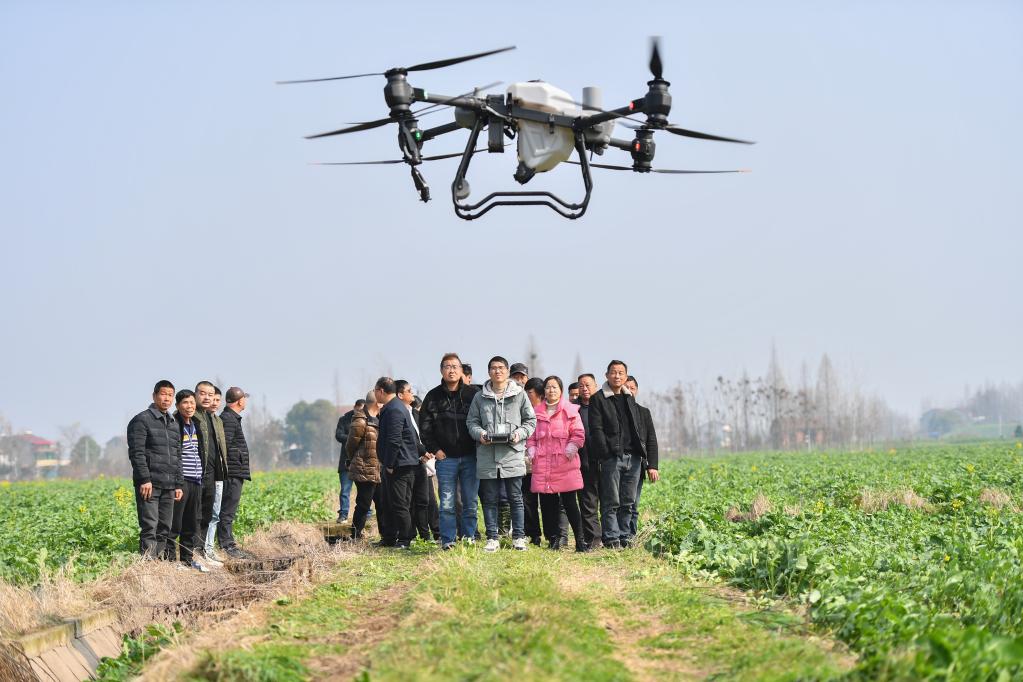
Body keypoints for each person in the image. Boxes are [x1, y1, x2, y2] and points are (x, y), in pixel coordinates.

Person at [466, 356, 536, 552]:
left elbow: (530, 421)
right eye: (493, 368)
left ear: (507, 371)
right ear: (489, 372)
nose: (497, 371)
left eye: (501, 368)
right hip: (487, 454)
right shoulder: (480, 397)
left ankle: (519, 537)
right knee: (489, 499)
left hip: (512, 453)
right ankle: (492, 538)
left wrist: (518, 434)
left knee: (516, 497)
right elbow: (471, 422)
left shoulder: (520, 394)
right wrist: (480, 434)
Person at [587, 360, 655, 549]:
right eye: (614, 372)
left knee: (628, 501)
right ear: (607, 375)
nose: (617, 376)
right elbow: (596, 429)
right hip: (612, 458)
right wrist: (606, 453)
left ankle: (626, 536)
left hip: (633, 458)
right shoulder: (598, 399)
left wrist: (647, 459)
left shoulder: (629, 399)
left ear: (625, 376)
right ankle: (611, 537)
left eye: (621, 373)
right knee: (611, 500)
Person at [420, 353, 481, 550]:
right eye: (447, 366)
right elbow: (425, 428)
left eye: (455, 366)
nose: (451, 370)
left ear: (462, 371)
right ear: (441, 370)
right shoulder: (433, 396)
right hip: (446, 459)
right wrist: (435, 450)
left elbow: (482, 423)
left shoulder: (473, 395)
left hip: (471, 457)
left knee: (470, 501)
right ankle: (448, 540)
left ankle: (469, 537)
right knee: (446, 502)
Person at [528, 376, 588, 552]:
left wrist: (571, 447)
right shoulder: (536, 411)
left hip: (565, 464)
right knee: (548, 506)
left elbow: (578, 433)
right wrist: (531, 450)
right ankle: (553, 539)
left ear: (561, 390)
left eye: (554, 387)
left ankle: (580, 540)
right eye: (548, 387)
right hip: (543, 465)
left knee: (570, 504)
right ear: (543, 391)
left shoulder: (570, 410)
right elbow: (531, 437)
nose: (551, 390)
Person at [127, 380, 183, 559]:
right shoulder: (141, 420)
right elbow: (137, 453)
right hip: (150, 484)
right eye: (163, 394)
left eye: (170, 395)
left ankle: (159, 563)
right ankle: (148, 566)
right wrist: (144, 479)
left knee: (165, 527)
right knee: (150, 526)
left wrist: (178, 483)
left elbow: (177, 455)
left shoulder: (173, 423)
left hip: (169, 485)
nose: (166, 398)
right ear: (154, 396)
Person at [376, 377, 420, 550]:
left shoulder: (394, 409)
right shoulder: (395, 406)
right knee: (391, 502)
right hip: (400, 462)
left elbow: (394, 440)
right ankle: (390, 537)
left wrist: (390, 463)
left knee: (400, 503)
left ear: (380, 391)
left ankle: (404, 539)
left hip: (400, 464)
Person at [169, 390, 207, 570]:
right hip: (182, 481)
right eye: (185, 403)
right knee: (176, 523)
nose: (189, 406)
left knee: (192, 523)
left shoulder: (196, 424)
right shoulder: (174, 425)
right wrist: (177, 482)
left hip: (196, 480)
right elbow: (175, 456)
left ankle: (186, 559)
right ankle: (169, 561)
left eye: (192, 403)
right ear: (177, 406)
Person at [397, 380, 438, 542]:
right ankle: (410, 535)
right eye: (409, 390)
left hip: (423, 460)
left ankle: (428, 534)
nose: (412, 392)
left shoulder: (415, 413)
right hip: (408, 460)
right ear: (400, 394)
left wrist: (428, 450)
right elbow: (405, 440)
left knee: (426, 500)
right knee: (408, 501)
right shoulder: (398, 413)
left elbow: (421, 435)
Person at [195, 381, 227, 567]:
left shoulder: (212, 418)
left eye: (210, 394)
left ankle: (202, 552)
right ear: (196, 394)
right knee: (196, 515)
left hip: (213, 475)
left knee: (207, 514)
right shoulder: (192, 417)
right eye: (203, 393)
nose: (207, 398)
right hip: (197, 475)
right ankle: (193, 553)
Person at [218, 386, 252, 559]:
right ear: (240, 401)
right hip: (232, 473)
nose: (245, 401)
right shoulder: (229, 419)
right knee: (227, 510)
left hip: (235, 471)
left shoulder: (231, 418)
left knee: (228, 510)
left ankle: (228, 542)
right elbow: (224, 448)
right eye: (244, 398)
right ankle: (226, 545)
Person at [626, 376, 659, 537]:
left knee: (633, 502)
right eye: (627, 388)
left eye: (632, 388)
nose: (629, 391)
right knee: (616, 503)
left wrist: (652, 466)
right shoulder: (612, 410)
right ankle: (616, 535)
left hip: (637, 465)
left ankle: (630, 536)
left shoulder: (643, 413)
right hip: (616, 464)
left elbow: (651, 440)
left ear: (636, 390)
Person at [346, 392, 381, 541]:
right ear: (377, 403)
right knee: (363, 504)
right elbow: (351, 445)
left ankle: (386, 535)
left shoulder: (379, 419)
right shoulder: (360, 420)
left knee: (381, 502)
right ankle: (355, 535)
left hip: (377, 467)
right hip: (364, 466)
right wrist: (354, 460)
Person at [576, 373, 602, 549]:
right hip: (582, 462)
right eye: (581, 386)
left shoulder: (604, 405)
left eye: (588, 385)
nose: (585, 389)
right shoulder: (573, 409)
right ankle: (593, 539)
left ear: (596, 386)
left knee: (608, 501)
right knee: (588, 502)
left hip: (604, 461)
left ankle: (610, 537)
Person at [521, 377, 546, 546]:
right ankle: (533, 534)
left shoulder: (546, 411)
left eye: (529, 392)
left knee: (547, 501)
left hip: (545, 464)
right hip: (527, 464)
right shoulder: (523, 410)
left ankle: (553, 533)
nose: (527, 395)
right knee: (527, 500)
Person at [335, 399, 365, 523]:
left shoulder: (367, 419)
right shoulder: (344, 419)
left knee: (364, 490)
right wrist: (353, 438)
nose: (360, 412)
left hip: (362, 461)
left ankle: (367, 513)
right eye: (358, 409)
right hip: (346, 461)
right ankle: (343, 514)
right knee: (345, 490)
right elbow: (338, 435)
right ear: (354, 407)